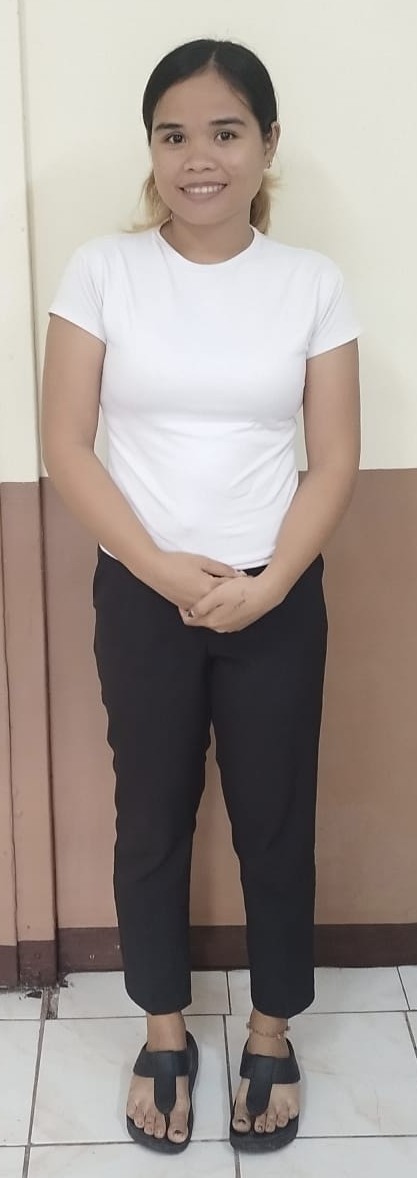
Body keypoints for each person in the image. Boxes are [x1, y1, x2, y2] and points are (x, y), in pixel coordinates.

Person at [41, 37, 361, 1157]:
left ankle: (271, 1027)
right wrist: (161, 567)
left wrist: (269, 584)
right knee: (151, 814)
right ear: (152, 150)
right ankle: (164, 1030)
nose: (198, 159)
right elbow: (65, 443)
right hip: (144, 595)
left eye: (225, 132)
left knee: (275, 819)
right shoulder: (102, 271)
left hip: (276, 595)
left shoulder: (311, 282)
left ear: (267, 144)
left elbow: (333, 458)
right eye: (173, 135)